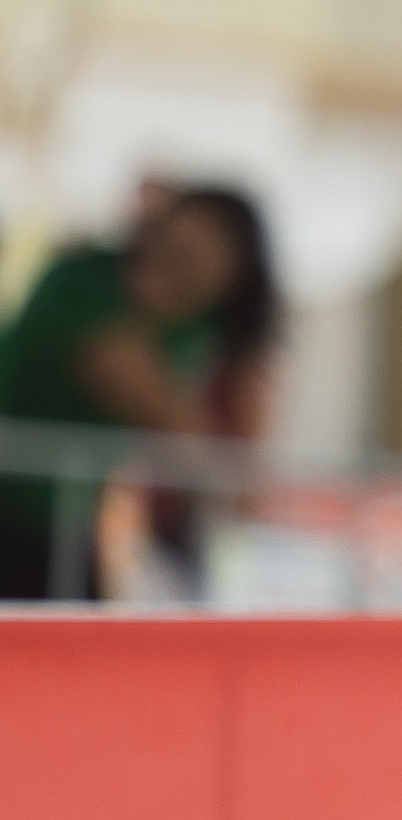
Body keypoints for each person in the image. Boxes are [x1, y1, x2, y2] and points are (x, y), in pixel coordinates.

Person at [0, 184, 277, 597]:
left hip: (63, 524)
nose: (168, 266)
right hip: (22, 513)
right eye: (169, 246)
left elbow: (243, 489)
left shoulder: (200, 330)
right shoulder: (83, 286)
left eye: (192, 258)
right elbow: (172, 424)